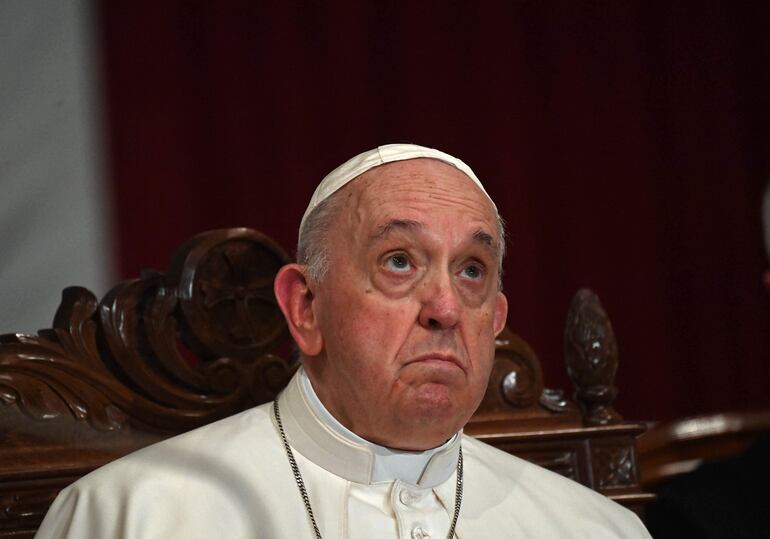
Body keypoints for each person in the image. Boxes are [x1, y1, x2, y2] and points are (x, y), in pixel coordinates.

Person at [35, 144, 651, 538]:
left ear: (495, 320)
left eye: (471, 271)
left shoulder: (597, 531)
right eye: (399, 262)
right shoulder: (131, 517)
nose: (445, 309)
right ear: (306, 308)